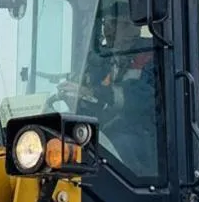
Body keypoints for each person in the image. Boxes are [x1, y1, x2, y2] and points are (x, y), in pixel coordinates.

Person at [59, 11, 159, 173]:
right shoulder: (100, 58)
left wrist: (92, 92)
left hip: (144, 133)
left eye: (124, 25)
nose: (111, 31)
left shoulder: (154, 54)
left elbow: (145, 99)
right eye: (108, 24)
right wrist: (76, 100)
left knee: (119, 144)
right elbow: (92, 99)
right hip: (103, 131)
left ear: (137, 28)